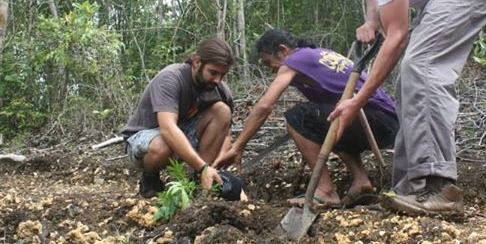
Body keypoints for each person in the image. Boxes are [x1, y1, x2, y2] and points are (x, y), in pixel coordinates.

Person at [278, 0, 486, 215]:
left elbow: (397, 37)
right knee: (409, 82)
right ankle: (410, 189)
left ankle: (440, 187)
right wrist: (371, 18)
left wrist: (357, 100)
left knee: (421, 68)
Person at [213, 28, 398, 207]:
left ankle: (325, 191)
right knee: (326, 120)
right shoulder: (316, 55)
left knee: (297, 117)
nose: (272, 70)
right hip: (386, 121)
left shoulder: (295, 59)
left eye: (270, 63)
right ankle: (361, 181)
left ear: (283, 50)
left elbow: (264, 106)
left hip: (375, 118)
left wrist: (238, 146)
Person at [122, 38, 242, 199]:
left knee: (222, 111)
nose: (218, 80)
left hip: (182, 134)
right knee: (164, 144)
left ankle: (200, 182)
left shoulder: (219, 89)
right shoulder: (171, 78)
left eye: (223, 75)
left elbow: (226, 134)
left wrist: (217, 166)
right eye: (213, 72)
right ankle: (150, 179)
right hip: (145, 140)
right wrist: (203, 167)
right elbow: (168, 129)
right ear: (197, 62)